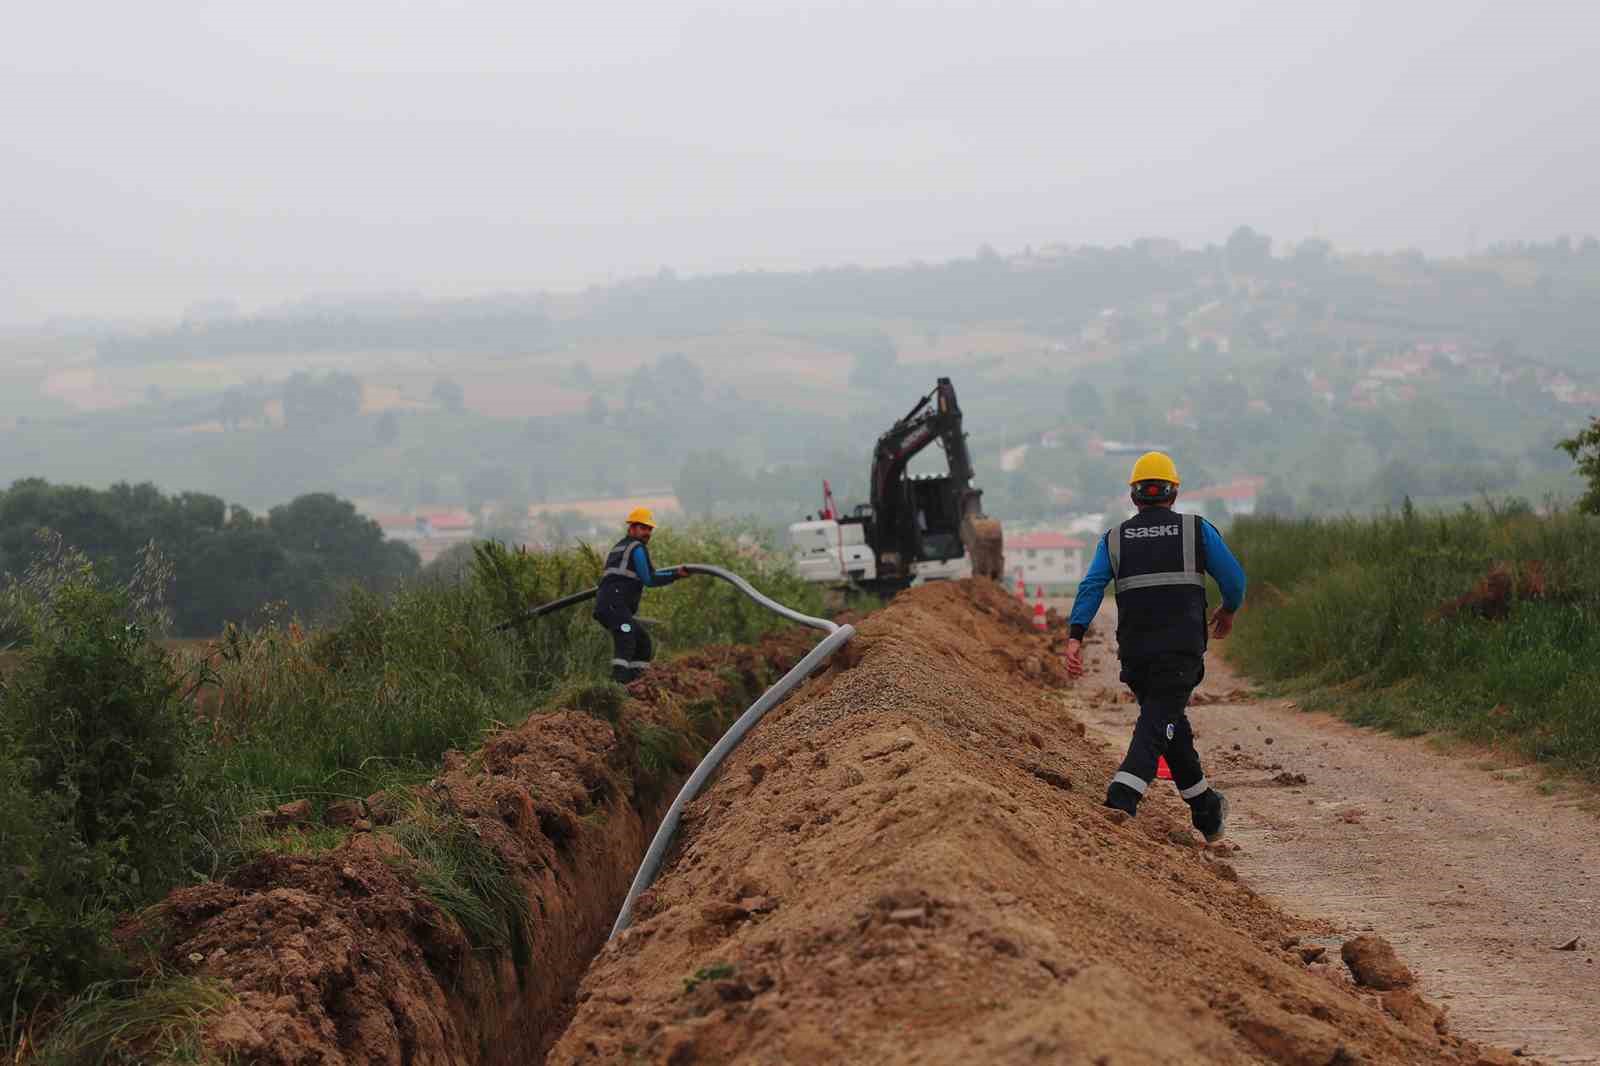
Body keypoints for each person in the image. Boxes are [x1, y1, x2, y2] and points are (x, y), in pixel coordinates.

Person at [1063, 452, 1246, 841]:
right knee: (1156, 726)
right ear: (1174, 493)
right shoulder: (1196, 530)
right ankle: (1122, 797)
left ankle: (1206, 809)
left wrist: (1075, 636)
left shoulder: (1113, 539)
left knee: (1167, 723)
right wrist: (1228, 610)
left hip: (1137, 656)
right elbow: (1234, 580)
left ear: (1134, 497)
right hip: (1180, 652)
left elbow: (1091, 587)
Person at [594, 507, 693, 683]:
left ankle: (637, 685)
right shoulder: (637, 547)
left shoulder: (620, 546)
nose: (647, 532)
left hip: (609, 604)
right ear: (631, 528)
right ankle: (616, 687)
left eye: (649, 529)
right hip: (614, 604)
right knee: (627, 636)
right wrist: (676, 574)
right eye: (643, 527)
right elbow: (649, 578)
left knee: (643, 642)